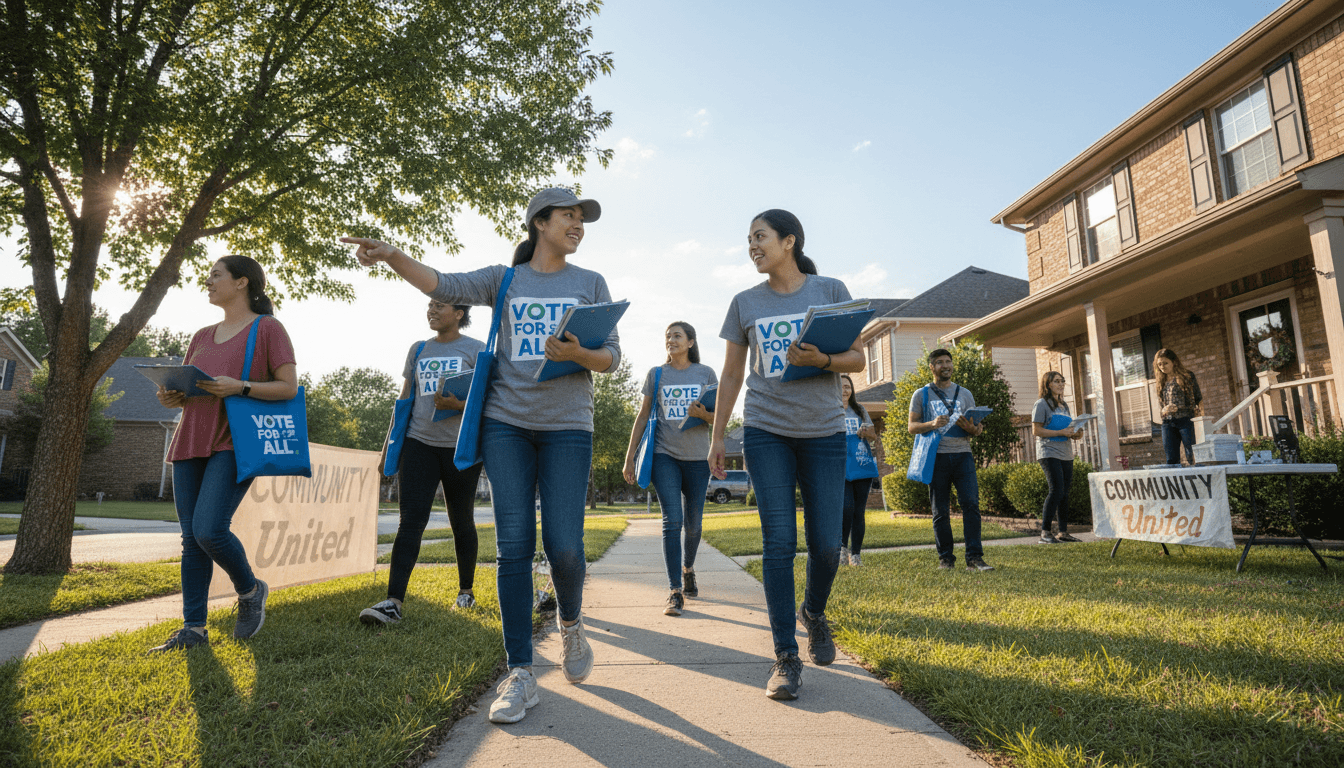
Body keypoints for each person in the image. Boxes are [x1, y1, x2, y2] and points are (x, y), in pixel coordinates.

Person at [342, 187, 620, 726]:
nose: (578, 224)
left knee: (564, 545)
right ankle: (520, 672)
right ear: (539, 223)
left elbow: (611, 357)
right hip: (506, 425)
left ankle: (571, 623)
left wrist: (578, 353)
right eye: (569, 216)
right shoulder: (505, 279)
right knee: (513, 546)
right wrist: (393, 254)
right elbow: (444, 283)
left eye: (582, 218)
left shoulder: (590, 283)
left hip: (568, 427)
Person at [708, 209, 863, 702]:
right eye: (748, 239)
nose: (752, 245)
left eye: (761, 236)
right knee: (779, 541)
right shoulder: (744, 302)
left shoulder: (830, 290)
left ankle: (813, 613)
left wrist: (824, 361)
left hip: (821, 432)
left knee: (823, 544)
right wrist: (717, 438)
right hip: (765, 430)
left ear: (789, 241)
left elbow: (857, 357)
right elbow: (731, 375)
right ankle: (784, 656)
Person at [150, 255, 298, 652]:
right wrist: (172, 396)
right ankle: (193, 630)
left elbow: (287, 387)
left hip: (235, 441)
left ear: (243, 282)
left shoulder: (268, 329)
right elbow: (189, 389)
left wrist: (241, 387)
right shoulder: (201, 335)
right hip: (191, 438)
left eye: (216, 275)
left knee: (209, 529)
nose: (208, 281)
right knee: (190, 539)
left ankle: (250, 590)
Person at [360, 300, 486, 626]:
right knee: (411, 522)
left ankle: (466, 591)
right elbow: (404, 400)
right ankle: (393, 602)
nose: (431, 310)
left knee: (462, 521)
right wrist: (389, 447)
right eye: (429, 305)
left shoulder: (477, 350)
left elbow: (489, 400)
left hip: (460, 450)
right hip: (418, 445)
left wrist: (458, 405)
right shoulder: (418, 350)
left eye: (439, 305)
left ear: (459, 313)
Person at [622, 322, 717, 616]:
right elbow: (641, 417)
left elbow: (718, 418)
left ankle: (688, 568)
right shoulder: (656, 374)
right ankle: (675, 591)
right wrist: (629, 458)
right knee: (671, 520)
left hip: (699, 458)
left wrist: (705, 415)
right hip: (665, 455)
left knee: (694, 524)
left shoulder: (706, 374)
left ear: (690, 342)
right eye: (667, 336)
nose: (671, 340)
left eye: (677, 336)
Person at [907, 348, 995, 572]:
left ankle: (974, 558)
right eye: (940, 362)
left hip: (963, 455)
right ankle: (946, 559)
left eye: (948, 361)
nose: (945, 366)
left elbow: (978, 429)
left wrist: (973, 428)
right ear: (932, 367)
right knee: (940, 511)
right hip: (936, 457)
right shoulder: (921, 394)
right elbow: (912, 427)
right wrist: (931, 424)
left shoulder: (965, 394)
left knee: (971, 505)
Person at [1030, 371, 1084, 544]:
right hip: (1049, 452)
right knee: (1056, 490)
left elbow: (1068, 428)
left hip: (1066, 453)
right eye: (1057, 381)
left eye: (1063, 381)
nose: (1061, 384)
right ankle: (1045, 533)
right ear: (1048, 385)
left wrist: (1075, 433)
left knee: (1065, 493)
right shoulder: (1041, 404)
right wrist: (1060, 432)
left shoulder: (1064, 405)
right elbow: (1036, 430)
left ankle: (1063, 532)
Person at [839, 374, 878, 566]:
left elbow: (873, 437)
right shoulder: (831, 409)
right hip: (840, 466)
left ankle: (856, 555)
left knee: (859, 512)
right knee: (846, 508)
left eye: (848, 386)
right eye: (841, 386)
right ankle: (842, 549)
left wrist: (866, 432)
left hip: (861, 464)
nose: (845, 390)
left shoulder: (859, 409)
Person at [1155, 348, 1202, 466]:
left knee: (1191, 455)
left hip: (1186, 420)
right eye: (1159, 364)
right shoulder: (1161, 380)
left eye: (1165, 363)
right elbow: (1161, 405)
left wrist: (1201, 417)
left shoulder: (1187, 376)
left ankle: (1196, 480)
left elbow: (1198, 398)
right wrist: (1164, 410)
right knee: (1171, 459)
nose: (1162, 367)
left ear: (1173, 362)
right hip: (1167, 423)